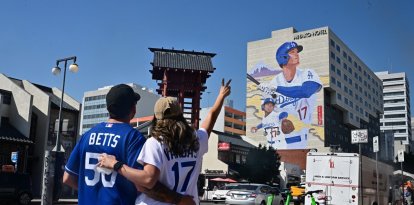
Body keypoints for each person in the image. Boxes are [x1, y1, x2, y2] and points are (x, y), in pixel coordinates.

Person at [98, 79, 232, 205]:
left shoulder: (155, 142)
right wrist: (221, 96)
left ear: (157, 117)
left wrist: (115, 164)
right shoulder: (196, 139)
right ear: (180, 114)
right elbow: (212, 116)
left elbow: (147, 180)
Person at [63, 84, 192, 205]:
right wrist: (179, 200)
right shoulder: (133, 138)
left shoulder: (87, 136)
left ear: (108, 108)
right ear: (133, 109)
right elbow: (144, 184)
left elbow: (68, 178)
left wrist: (91, 192)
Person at [260, 41, 322, 149]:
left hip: (301, 139)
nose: (297, 54)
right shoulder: (273, 82)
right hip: (278, 143)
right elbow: (268, 114)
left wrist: (277, 89)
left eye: (297, 52)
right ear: (283, 57)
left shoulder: (307, 73)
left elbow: (305, 92)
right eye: (292, 52)